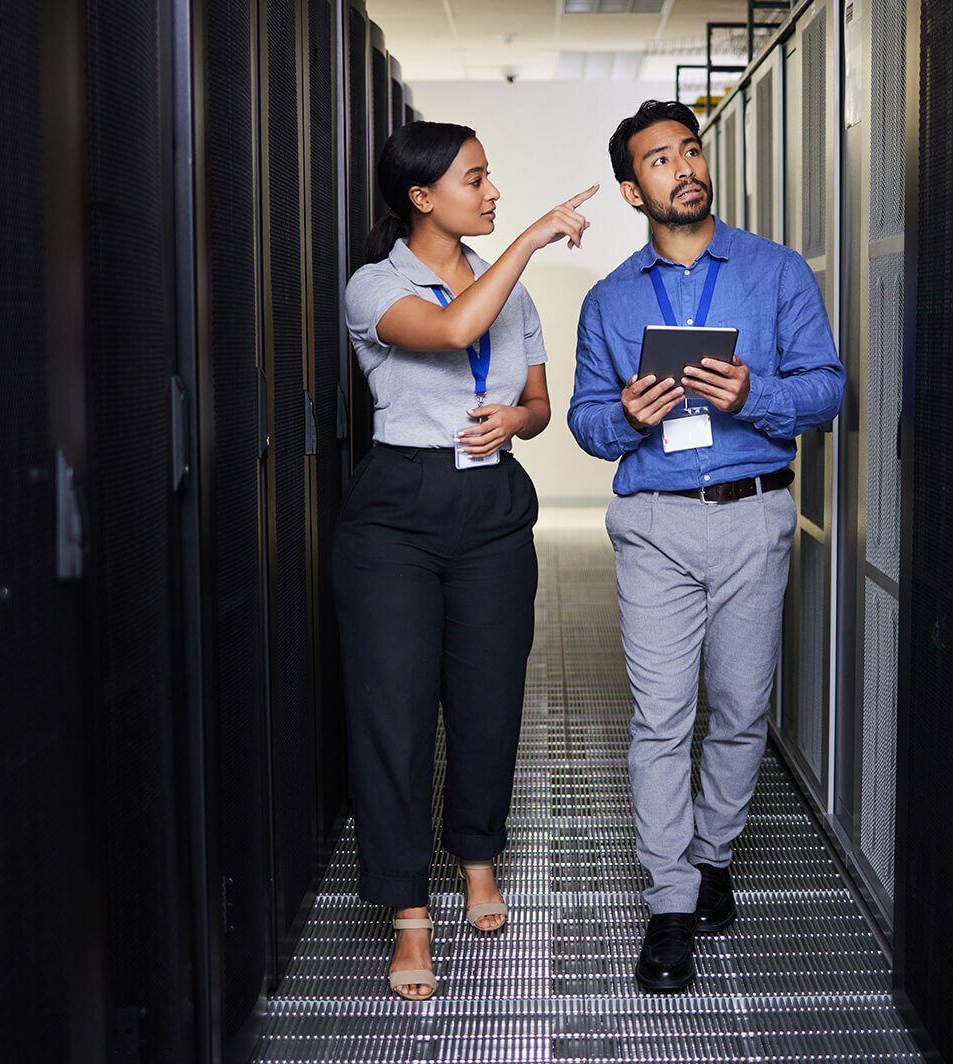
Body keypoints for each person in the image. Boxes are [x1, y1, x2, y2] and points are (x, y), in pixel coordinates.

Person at [567, 100, 845, 993]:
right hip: (653, 524)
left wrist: (753, 393)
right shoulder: (610, 299)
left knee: (737, 703)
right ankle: (672, 900)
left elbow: (829, 390)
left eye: (691, 150)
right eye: (659, 159)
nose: (684, 167)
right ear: (629, 188)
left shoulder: (775, 274)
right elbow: (584, 420)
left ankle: (715, 848)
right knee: (661, 716)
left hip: (753, 513)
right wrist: (627, 416)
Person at [334, 120, 596, 1001]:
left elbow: (537, 401)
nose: (492, 193)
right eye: (475, 179)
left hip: (489, 505)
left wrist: (513, 423)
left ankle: (477, 857)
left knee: (488, 699)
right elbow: (448, 336)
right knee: (395, 713)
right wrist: (528, 241)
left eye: (492, 178)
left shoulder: (505, 288)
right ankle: (408, 910)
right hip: (397, 516)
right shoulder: (374, 286)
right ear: (421, 197)